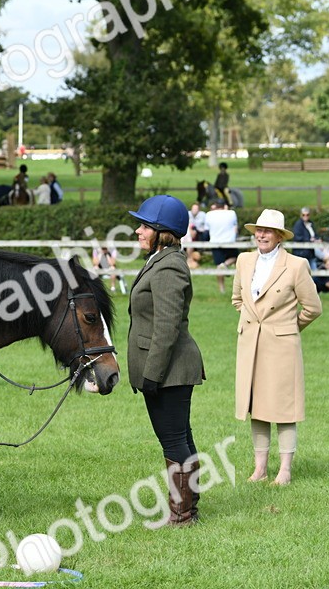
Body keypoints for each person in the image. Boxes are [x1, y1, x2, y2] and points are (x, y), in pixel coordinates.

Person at [126, 195, 205, 525]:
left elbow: (167, 326)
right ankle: (190, 505)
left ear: (162, 232)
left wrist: (152, 375)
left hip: (169, 369)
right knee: (180, 436)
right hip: (167, 368)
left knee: (174, 439)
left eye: (144, 226)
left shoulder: (169, 265)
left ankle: (182, 514)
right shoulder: (159, 259)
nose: (137, 231)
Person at [232, 208, 322, 486]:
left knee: (283, 407)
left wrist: (288, 326)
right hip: (250, 344)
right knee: (256, 407)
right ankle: (259, 469)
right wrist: (251, 321)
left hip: (281, 345)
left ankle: (284, 469)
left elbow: (313, 307)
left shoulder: (296, 265)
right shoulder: (244, 261)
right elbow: (237, 299)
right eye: (258, 230)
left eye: (267, 231)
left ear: (279, 236)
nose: (261, 235)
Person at [205, 199, 239, 293]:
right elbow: (235, 227)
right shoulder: (231, 213)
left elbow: (206, 229)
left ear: (215, 205)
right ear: (225, 206)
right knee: (235, 257)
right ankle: (225, 265)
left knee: (219, 266)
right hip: (229, 242)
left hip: (215, 243)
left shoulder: (209, 214)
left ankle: (222, 289)